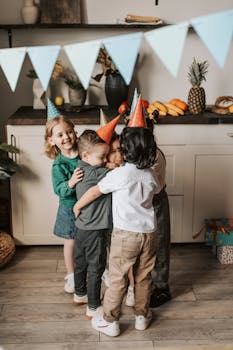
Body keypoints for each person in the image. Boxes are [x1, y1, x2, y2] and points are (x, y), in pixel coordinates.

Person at [74, 126, 162, 337]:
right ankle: (142, 316)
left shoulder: (120, 174)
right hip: (149, 234)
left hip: (125, 235)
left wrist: (77, 206)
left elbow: (95, 191)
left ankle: (110, 321)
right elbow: (158, 189)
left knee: (118, 278)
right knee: (143, 276)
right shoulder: (150, 174)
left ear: (125, 151)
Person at [73, 129, 113, 320]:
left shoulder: (80, 167)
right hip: (96, 229)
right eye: (102, 156)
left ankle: (79, 293)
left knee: (80, 262)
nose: (105, 160)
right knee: (96, 267)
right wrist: (114, 164)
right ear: (86, 155)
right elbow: (116, 172)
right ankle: (93, 305)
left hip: (81, 227)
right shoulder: (99, 174)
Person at [44, 115, 83, 294]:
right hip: (69, 207)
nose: (66, 137)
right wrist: (71, 182)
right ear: (51, 141)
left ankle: (98, 269)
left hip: (88, 204)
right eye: (60, 135)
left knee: (91, 239)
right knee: (71, 241)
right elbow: (59, 189)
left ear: (75, 132)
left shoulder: (84, 152)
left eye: (68, 132)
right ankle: (71, 275)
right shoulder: (58, 165)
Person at [146, 118, 171, 307]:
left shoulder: (155, 156)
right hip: (136, 204)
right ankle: (141, 284)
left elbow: (147, 184)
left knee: (160, 244)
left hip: (156, 202)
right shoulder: (128, 151)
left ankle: (162, 287)